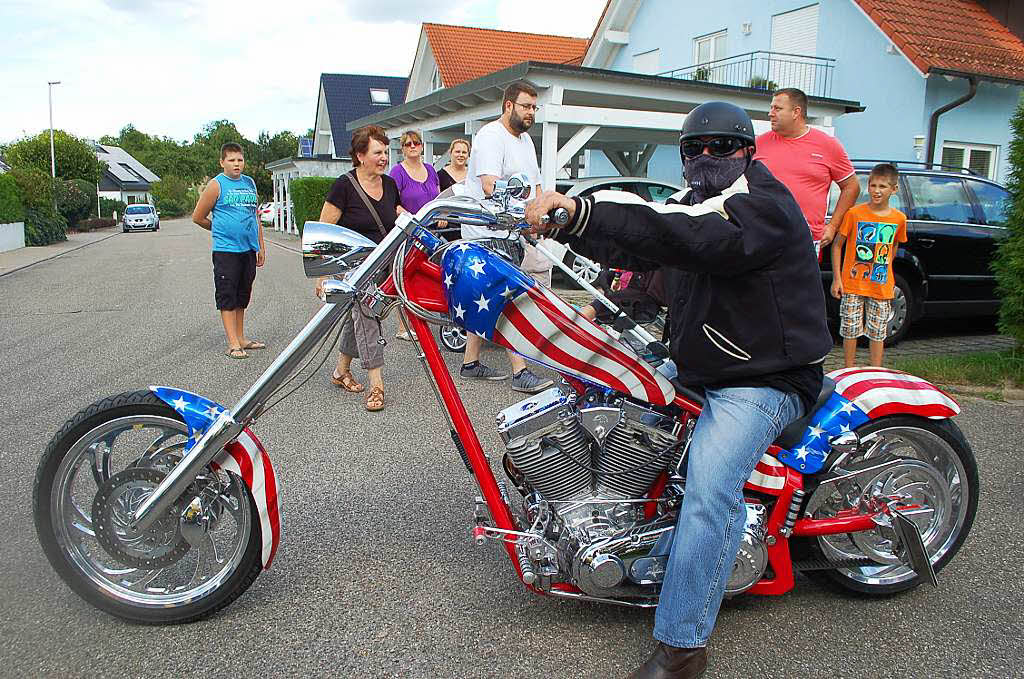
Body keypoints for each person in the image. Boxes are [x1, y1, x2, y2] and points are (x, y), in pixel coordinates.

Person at [526, 101, 832, 679]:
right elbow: (652, 247)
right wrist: (581, 248)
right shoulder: (694, 204)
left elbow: (690, 239)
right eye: (696, 149)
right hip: (702, 366)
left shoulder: (762, 207)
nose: (707, 158)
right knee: (602, 403)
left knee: (709, 491)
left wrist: (581, 209)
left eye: (722, 147)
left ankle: (683, 647)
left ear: (747, 150)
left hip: (763, 376)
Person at [460, 81, 552, 394]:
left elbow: (535, 185)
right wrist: (524, 215)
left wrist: (540, 215)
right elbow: (490, 185)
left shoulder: (526, 141)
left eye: (534, 108)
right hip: (487, 231)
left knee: (489, 298)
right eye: (526, 106)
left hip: (512, 230)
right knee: (513, 297)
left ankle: (470, 362)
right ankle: (520, 371)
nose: (531, 113)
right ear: (508, 105)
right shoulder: (490, 136)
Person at [315, 125, 400, 412]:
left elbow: (394, 218)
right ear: (361, 155)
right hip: (351, 266)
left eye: (386, 152)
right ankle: (377, 384)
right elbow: (324, 230)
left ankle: (340, 371)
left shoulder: (389, 185)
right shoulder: (344, 185)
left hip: (381, 265)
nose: (384, 157)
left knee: (356, 319)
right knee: (367, 315)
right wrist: (323, 274)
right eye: (378, 152)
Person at [754, 87, 859, 254]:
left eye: (777, 108)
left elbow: (852, 187)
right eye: (771, 107)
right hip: (763, 235)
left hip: (806, 240)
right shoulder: (758, 144)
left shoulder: (828, 145)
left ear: (796, 112)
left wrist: (832, 226)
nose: (770, 113)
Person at [191, 142, 266, 360]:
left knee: (243, 294)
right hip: (226, 250)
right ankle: (233, 343)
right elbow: (198, 217)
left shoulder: (249, 183)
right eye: (232, 160)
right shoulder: (216, 185)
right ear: (222, 162)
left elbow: (256, 217)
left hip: (248, 250)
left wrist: (260, 246)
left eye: (240, 160)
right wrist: (219, 228)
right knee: (228, 295)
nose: (236, 164)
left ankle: (241, 338)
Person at [830, 163, 907, 368]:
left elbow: (894, 245)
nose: (876, 191)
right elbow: (838, 245)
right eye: (873, 185)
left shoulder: (899, 219)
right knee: (850, 329)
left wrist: (886, 268)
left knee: (877, 332)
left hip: (880, 286)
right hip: (852, 284)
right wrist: (837, 279)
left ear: (894, 189)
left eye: (882, 186)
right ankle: (848, 370)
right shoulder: (855, 214)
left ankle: (876, 371)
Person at [389, 130, 441, 341]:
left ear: (421, 146)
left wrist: (440, 214)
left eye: (416, 143)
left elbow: (437, 196)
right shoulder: (397, 172)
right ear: (402, 148)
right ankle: (403, 326)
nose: (412, 146)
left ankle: (421, 322)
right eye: (408, 144)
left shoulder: (430, 169)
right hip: (408, 234)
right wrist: (408, 217)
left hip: (430, 232)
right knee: (405, 277)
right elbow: (392, 203)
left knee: (425, 278)